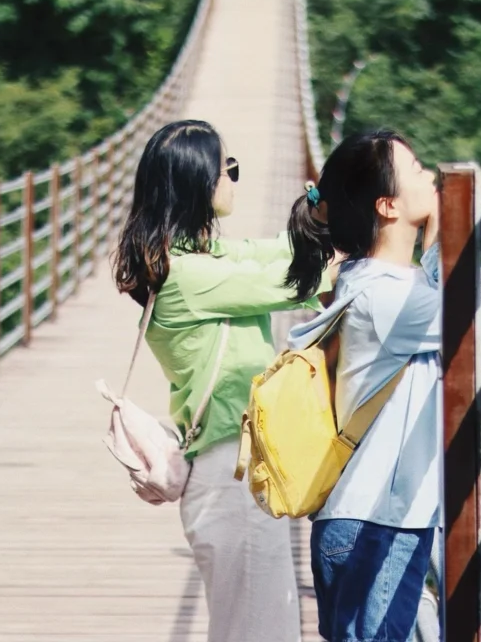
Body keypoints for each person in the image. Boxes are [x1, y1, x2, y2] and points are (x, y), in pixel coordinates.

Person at [286, 130, 481, 642]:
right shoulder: (390, 298)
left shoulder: (375, 283)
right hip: (376, 527)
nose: (431, 177)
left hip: (370, 523)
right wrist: (446, 240)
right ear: (388, 205)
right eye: (417, 169)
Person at [113, 118, 326, 642]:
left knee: (256, 629)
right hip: (233, 479)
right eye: (227, 167)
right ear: (198, 182)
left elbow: (274, 252)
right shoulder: (189, 277)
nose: (234, 176)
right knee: (262, 633)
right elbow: (297, 279)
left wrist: (323, 209)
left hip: (235, 474)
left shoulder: (195, 259)